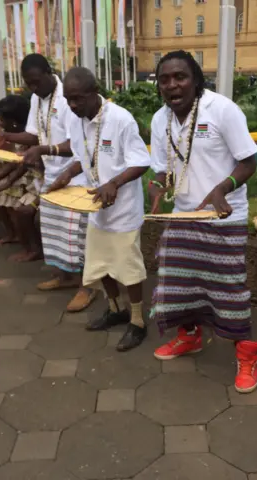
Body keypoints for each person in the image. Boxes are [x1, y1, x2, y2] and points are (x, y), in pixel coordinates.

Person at [147, 50, 257, 394]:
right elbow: (162, 169)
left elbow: (248, 162)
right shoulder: (160, 120)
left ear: (196, 79)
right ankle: (190, 337)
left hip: (223, 218)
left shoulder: (222, 110)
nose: (172, 85)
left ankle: (246, 356)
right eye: (165, 79)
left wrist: (221, 189)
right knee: (178, 284)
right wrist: (156, 189)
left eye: (180, 77)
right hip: (184, 215)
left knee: (229, 291)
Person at [31, 67, 150, 351]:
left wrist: (115, 183)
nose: (72, 105)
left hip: (123, 211)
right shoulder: (77, 120)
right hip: (96, 207)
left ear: (94, 91)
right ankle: (114, 308)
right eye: (69, 99)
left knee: (128, 270)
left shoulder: (121, 119)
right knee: (101, 266)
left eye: (78, 98)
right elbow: (82, 155)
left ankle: (137, 322)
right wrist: (67, 175)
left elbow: (141, 161)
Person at [0, 54, 95, 313]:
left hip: (76, 176)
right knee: (54, 231)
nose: (33, 88)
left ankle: (87, 287)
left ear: (49, 73)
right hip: (51, 176)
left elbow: (77, 144)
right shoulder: (36, 98)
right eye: (29, 84)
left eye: (36, 82)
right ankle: (65, 277)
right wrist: (5, 136)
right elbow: (33, 134)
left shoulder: (69, 97)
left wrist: (43, 149)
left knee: (77, 235)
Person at [0, 95, 44, 262]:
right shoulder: (20, 135)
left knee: (23, 211)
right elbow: (18, 164)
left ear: (13, 121)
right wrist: (2, 182)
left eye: (2, 120)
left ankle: (33, 249)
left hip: (48, 181)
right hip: (35, 180)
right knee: (15, 207)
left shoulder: (36, 136)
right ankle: (28, 246)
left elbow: (24, 165)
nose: (0, 124)